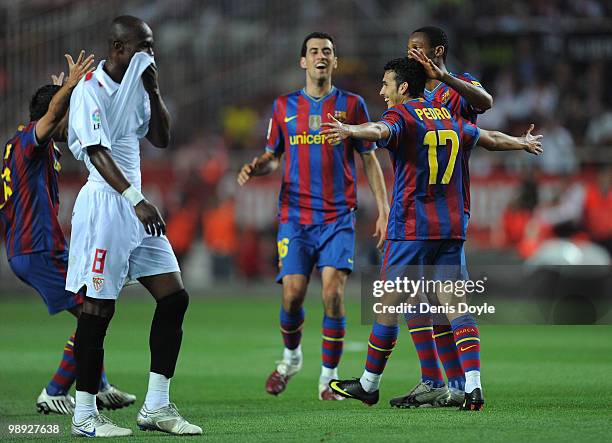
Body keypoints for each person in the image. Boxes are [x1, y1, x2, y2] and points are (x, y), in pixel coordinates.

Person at [323, 57, 542, 411]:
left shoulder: (402, 116)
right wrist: (521, 143)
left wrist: (350, 131)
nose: (382, 91)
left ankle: (368, 384)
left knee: (386, 307)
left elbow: (379, 131)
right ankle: (473, 387)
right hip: (451, 229)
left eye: (386, 84)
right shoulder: (446, 115)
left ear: (404, 87)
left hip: (411, 228)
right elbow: (487, 138)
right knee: (456, 307)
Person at [66, 15, 201, 437]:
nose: (151, 54)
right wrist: (137, 200)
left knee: (174, 298)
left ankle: (156, 407)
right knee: (97, 310)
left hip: (135, 205)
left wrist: (154, 88)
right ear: (119, 48)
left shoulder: (138, 87)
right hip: (108, 205)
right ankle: (85, 415)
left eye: (153, 46)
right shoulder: (91, 89)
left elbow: (160, 138)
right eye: (144, 46)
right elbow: (96, 152)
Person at [237, 32, 389, 401]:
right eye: (314, 51)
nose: (321, 56)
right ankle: (291, 358)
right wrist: (260, 166)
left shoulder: (352, 106)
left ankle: (328, 379)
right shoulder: (283, 106)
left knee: (333, 294)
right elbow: (274, 155)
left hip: (338, 215)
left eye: (328, 52)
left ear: (335, 62)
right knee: (292, 294)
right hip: (295, 214)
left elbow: (368, 157)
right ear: (303, 62)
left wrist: (384, 209)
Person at [0, 51, 136, 416]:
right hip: (36, 248)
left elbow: (50, 117)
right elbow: (49, 120)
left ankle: (100, 385)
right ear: (55, 115)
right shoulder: (32, 140)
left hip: (35, 247)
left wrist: (60, 91)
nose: (75, 121)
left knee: (90, 312)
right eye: (68, 112)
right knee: (95, 313)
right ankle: (56, 389)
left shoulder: (23, 143)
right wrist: (70, 89)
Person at [399, 25, 494, 407]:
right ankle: (448, 384)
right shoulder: (409, 94)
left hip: (449, 207)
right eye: (408, 49)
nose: (411, 55)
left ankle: (466, 384)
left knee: (447, 298)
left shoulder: (458, 86)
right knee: (418, 301)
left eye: (417, 49)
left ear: (437, 50)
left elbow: (485, 102)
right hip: (414, 211)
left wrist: (446, 78)